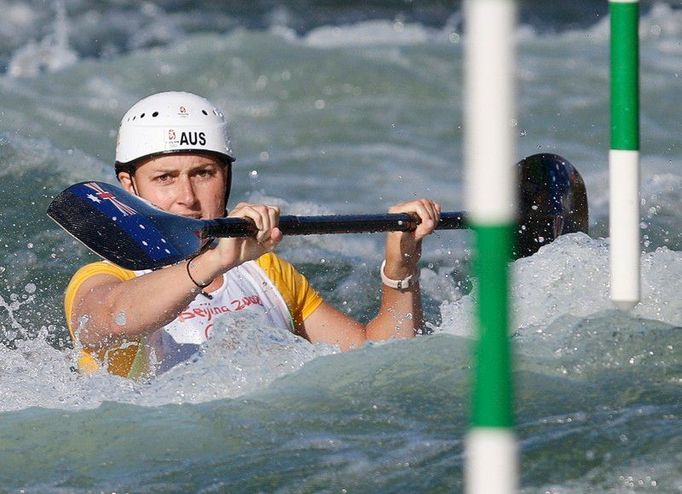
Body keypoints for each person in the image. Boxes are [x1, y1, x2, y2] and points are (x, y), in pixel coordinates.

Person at [64, 91, 441, 379]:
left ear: (226, 179)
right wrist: (213, 261)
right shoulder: (105, 278)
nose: (187, 197)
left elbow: (382, 361)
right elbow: (112, 318)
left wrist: (401, 268)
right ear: (128, 186)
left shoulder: (266, 271)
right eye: (165, 178)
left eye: (203, 174)